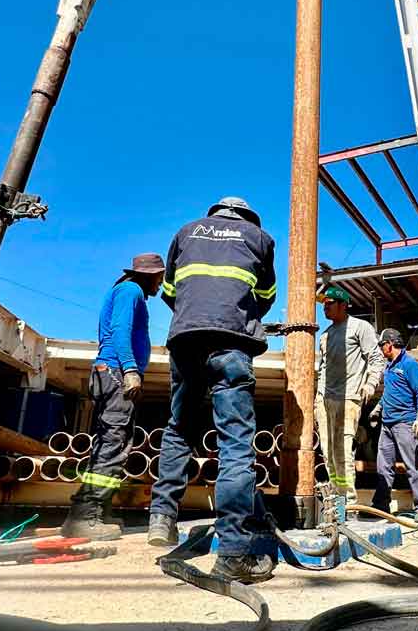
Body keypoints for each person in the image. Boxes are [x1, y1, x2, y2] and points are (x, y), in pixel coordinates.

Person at [147, 197, 278, 584]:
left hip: (185, 337)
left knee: (179, 426)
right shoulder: (259, 238)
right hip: (231, 343)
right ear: (247, 217)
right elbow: (266, 298)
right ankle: (234, 553)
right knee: (235, 442)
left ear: (215, 212)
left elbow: (170, 290)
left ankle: (162, 518)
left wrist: (197, 314)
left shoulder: (185, 232)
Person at [62, 253, 165, 540]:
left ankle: (98, 511)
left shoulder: (126, 291)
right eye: (160, 276)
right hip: (117, 372)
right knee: (112, 444)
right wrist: (131, 369)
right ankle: (85, 515)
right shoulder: (130, 290)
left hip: (111, 371)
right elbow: (120, 330)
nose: (161, 282)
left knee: (112, 442)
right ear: (149, 275)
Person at [314, 287, 385, 519]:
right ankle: (336, 500)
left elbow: (376, 358)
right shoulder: (325, 335)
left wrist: (370, 384)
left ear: (344, 305)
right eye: (323, 304)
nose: (325, 307)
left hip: (349, 397)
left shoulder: (359, 328)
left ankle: (349, 505)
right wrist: (318, 397)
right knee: (328, 453)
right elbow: (322, 369)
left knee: (343, 451)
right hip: (326, 400)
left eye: (330, 303)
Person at [369, 328, 418, 524]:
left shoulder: (409, 364)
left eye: (381, 345)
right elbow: (390, 391)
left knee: (413, 466)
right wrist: (378, 409)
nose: (380, 349)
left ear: (389, 344)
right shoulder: (389, 367)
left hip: (405, 423)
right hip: (387, 425)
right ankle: (381, 505)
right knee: (383, 467)